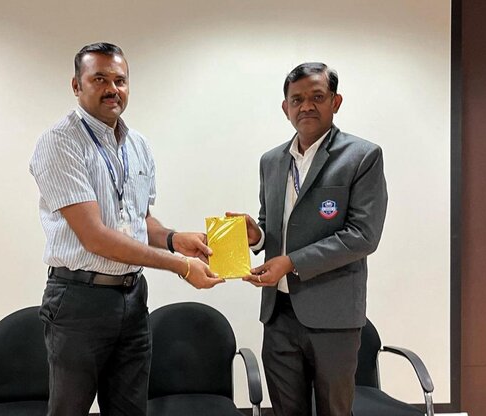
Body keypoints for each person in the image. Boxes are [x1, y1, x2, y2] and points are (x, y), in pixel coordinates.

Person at [29, 42, 224, 416]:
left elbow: (137, 221)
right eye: (99, 79)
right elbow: (95, 236)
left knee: (130, 409)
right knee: (69, 410)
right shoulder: (59, 142)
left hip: (132, 297)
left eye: (119, 80)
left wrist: (174, 239)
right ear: (76, 85)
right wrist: (180, 266)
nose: (112, 89)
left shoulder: (138, 145)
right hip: (79, 300)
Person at [228, 62, 388, 416]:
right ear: (285, 107)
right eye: (297, 99)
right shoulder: (271, 161)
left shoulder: (362, 156)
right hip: (278, 314)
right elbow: (272, 226)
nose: (306, 106)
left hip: (334, 315)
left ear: (335, 102)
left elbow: (363, 236)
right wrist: (257, 235)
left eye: (317, 97)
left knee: (334, 410)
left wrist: (291, 262)